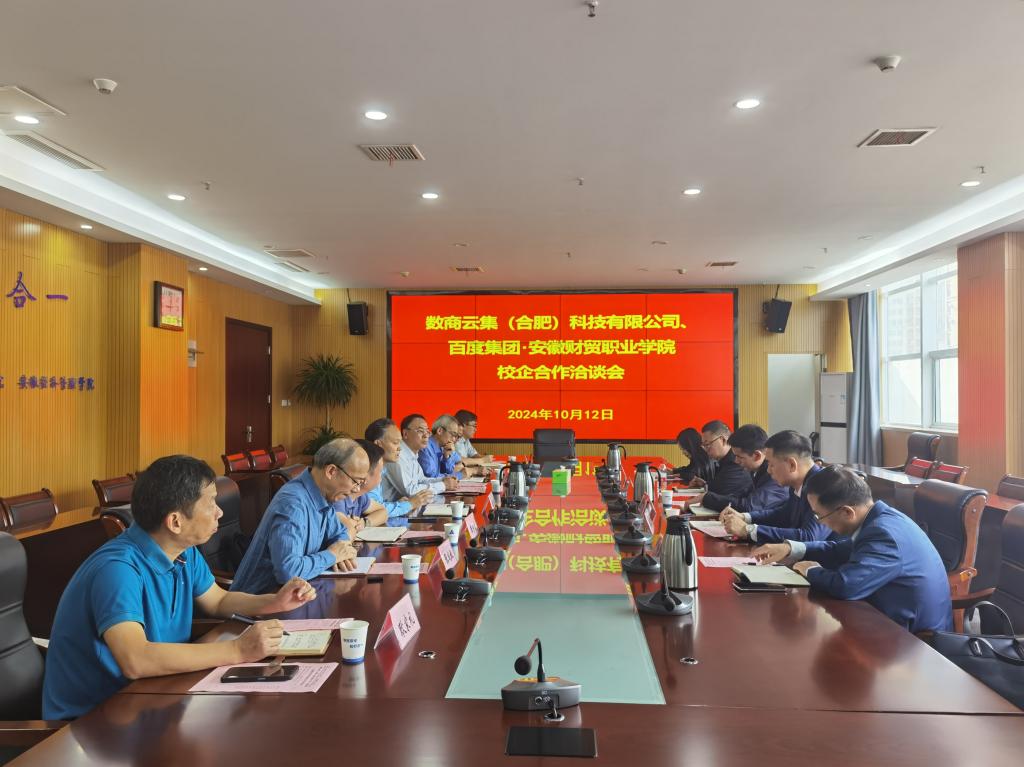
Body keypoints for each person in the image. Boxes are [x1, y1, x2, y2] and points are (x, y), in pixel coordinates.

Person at [42, 455, 317, 720]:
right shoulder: (117, 570)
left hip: (154, 695)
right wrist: (237, 650)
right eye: (211, 503)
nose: (219, 512)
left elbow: (218, 601)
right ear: (175, 521)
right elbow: (135, 660)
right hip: (94, 720)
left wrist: (273, 602)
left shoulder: (183, 551)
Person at [752, 465, 952, 633]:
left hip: (913, 641)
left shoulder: (884, 534)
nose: (819, 522)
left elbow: (847, 586)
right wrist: (790, 549)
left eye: (819, 516)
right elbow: (838, 550)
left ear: (847, 512)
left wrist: (810, 570)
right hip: (886, 618)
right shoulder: (879, 519)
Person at [230, 439, 363, 594]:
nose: (357, 489)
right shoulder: (293, 503)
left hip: (299, 594)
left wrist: (342, 551)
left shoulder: (324, 495)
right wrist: (332, 555)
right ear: (331, 471)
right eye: (355, 482)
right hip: (261, 601)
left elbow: (340, 533)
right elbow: (288, 572)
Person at [720, 430, 831, 543]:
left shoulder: (824, 486)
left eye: (771, 464)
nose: (768, 470)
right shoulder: (798, 482)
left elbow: (809, 536)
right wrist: (745, 517)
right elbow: (784, 514)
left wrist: (748, 530)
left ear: (792, 464)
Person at [696, 424, 788, 515]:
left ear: (757, 456)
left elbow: (749, 507)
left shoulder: (775, 475)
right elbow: (741, 497)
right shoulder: (757, 470)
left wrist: (707, 498)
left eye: (739, 457)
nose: (736, 461)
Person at [364, 418, 434, 517]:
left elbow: (379, 505)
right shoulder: (367, 471)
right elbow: (372, 510)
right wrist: (409, 504)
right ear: (378, 444)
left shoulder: (382, 469)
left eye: (400, 443)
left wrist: (396, 504)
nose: (400, 448)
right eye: (395, 443)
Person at [382, 413, 459, 500]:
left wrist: (443, 480)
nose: (426, 436)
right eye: (420, 431)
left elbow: (421, 480)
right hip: (389, 507)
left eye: (427, 431)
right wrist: (443, 485)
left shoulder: (413, 454)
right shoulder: (397, 454)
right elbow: (410, 491)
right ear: (405, 434)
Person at [332, 439, 391, 538]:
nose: (382, 475)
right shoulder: (339, 496)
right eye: (380, 471)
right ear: (364, 475)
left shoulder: (360, 497)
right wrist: (350, 524)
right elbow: (344, 529)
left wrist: (363, 523)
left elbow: (383, 512)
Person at [689, 420, 753, 500]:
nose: (705, 449)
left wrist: (706, 486)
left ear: (723, 440)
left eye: (707, 444)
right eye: (704, 445)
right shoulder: (723, 460)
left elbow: (719, 492)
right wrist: (705, 484)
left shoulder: (735, 461)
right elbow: (719, 485)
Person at [419, 414, 465, 480]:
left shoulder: (443, 447)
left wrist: (446, 457)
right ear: (440, 431)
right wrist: (460, 475)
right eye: (453, 434)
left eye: (456, 436)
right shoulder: (426, 447)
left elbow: (448, 471)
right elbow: (432, 477)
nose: (454, 439)